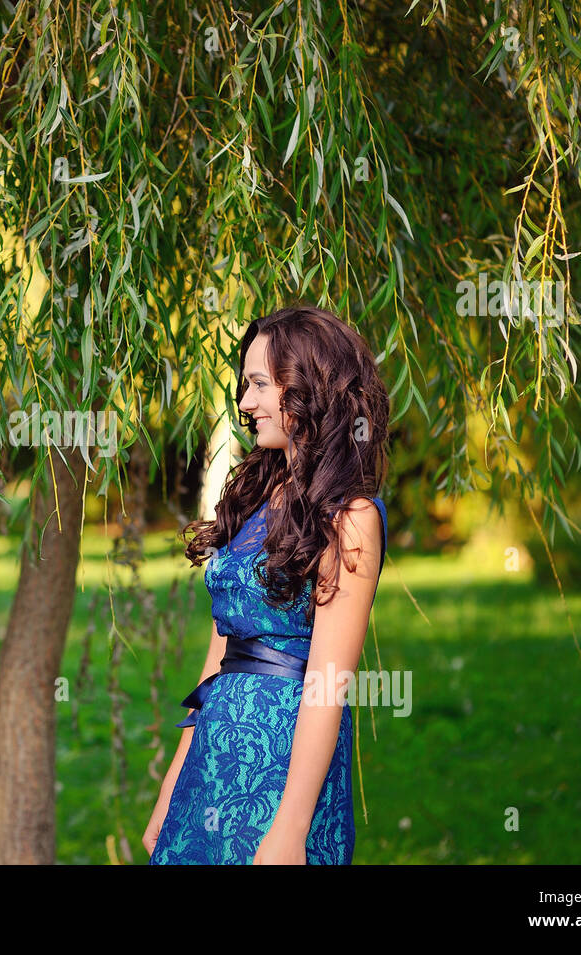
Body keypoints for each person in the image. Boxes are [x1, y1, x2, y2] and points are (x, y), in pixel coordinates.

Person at [145, 305, 390, 865]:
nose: (245, 402)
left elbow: (329, 683)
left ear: (308, 389)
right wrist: (173, 784)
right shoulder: (259, 494)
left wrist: (289, 832)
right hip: (216, 752)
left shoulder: (350, 516)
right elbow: (220, 655)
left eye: (259, 385)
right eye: (245, 385)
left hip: (284, 767)